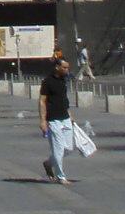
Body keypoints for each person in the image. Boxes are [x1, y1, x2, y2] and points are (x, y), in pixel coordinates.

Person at [37, 56, 74, 185]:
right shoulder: (47, 82)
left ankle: (48, 163)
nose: (67, 70)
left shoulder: (64, 80)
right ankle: (61, 177)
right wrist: (43, 121)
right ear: (57, 67)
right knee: (58, 149)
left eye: (67, 67)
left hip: (65, 117)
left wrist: (70, 113)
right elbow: (42, 101)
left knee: (68, 148)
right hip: (53, 119)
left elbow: (64, 98)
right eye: (64, 67)